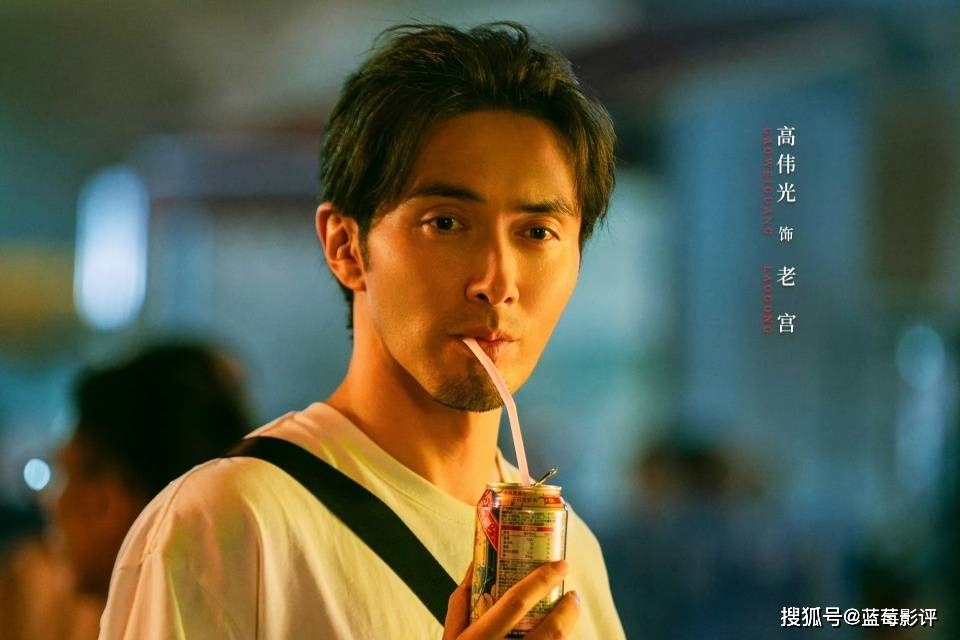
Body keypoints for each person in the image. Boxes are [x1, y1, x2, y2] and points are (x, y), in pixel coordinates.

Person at [100, 22, 623, 639]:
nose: (496, 281)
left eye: (537, 232)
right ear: (346, 246)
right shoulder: (232, 522)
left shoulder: (569, 556)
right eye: (446, 222)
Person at [0, 341, 252, 640]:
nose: (52, 503)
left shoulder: (34, 590)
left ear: (107, 501)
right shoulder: (254, 612)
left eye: (65, 477)